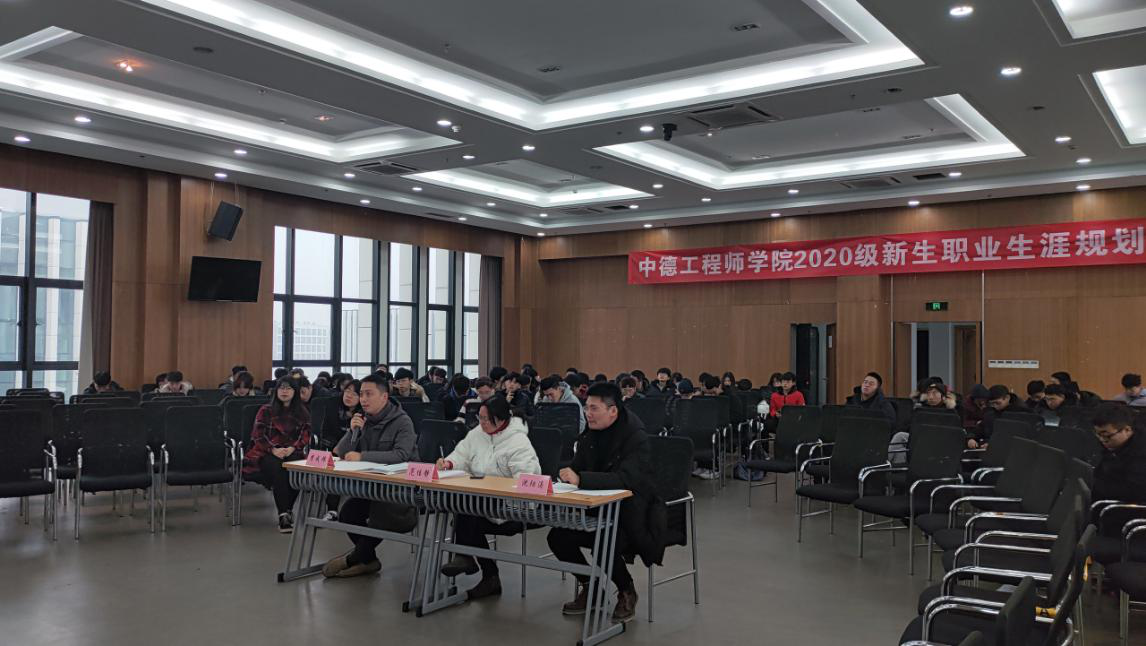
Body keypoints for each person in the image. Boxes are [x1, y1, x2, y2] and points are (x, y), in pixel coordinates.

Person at [548, 383, 664, 623]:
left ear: (613, 411)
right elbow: (578, 466)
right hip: (597, 508)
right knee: (558, 537)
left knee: (604, 542)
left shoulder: (636, 437)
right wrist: (567, 475)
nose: (587, 414)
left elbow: (626, 480)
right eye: (586, 407)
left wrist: (581, 479)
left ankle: (626, 590)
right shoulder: (591, 433)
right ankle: (591, 588)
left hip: (632, 513)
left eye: (594, 408)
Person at [436, 396, 541, 599]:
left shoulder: (518, 442)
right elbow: (462, 454)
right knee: (466, 508)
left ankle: (471, 560)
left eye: (485, 419)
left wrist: (496, 490)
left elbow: (525, 480)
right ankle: (482, 570)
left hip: (512, 506)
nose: (481, 423)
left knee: (467, 511)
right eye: (480, 417)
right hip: (481, 503)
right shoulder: (478, 433)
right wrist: (448, 463)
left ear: (501, 419)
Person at [323, 374, 417, 578]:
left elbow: (401, 455)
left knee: (380, 516)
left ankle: (353, 558)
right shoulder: (363, 420)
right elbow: (339, 452)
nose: (363, 399)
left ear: (384, 397)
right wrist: (352, 431)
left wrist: (362, 456)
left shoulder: (403, 422)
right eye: (362, 394)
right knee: (348, 514)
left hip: (400, 491)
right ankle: (368, 560)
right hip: (372, 488)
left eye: (368, 394)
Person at [242, 378, 311, 533]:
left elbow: (305, 435)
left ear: (295, 392)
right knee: (279, 468)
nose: (284, 391)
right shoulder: (265, 410)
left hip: (292, 451)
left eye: (288, 388)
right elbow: (258, 436)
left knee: (296, 469)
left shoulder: (302, 412)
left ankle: (286, 510)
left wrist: (292, 448)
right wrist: (273, 449)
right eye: (281, 388)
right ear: (276, 391)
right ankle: (284, 514)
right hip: (266, 452)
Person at [1091, 403, 1146, 505]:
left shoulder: (1141, 452)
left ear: (1127, 430)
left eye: (1107, 436)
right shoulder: (1116, 445)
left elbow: (1134, 491)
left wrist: (1095, 485)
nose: (1102, 440)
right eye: (1098, 434)